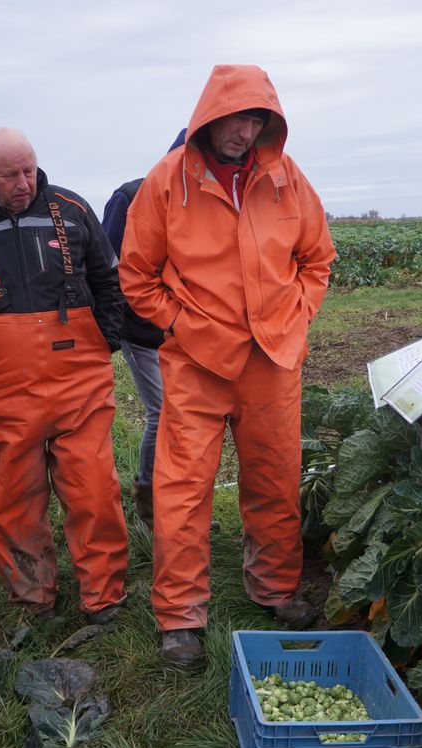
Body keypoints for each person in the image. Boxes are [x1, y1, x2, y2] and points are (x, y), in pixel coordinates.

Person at [120, 65, 336, 668]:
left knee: (274, 475)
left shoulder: (288, 179)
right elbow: (135, 277)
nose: (245, 131)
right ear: (209, 117)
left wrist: (299, 312)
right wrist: (181, 325)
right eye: (237, 118)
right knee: (182, 488)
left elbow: (318, 259)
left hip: (273, 358)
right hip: (196, 362)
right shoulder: (167, 181)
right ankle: (180, 616)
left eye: (257, 120)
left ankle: (275, 588)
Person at [0, 128, 129, 624]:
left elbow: (109, 279)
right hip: (0, 386)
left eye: (30, 170)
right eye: (10, 174)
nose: (24, 182)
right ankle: (32, 597)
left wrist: (107, 340)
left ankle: (103, 597)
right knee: (14, 499)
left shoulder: (73, 210)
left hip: (79, 381)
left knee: (94, 491)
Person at [100, 128, 186, 528]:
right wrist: (130, 321)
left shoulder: (199, 205)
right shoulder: (130, 197)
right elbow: (108, 268)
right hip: (143, 330)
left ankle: (178, 501)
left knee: (185, 414)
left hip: (186, 333)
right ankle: (149, 502)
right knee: (163, 410)